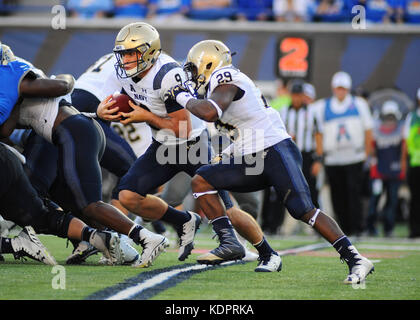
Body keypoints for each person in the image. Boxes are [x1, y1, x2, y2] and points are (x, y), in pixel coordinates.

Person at [165, 40, 374, 283]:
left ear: (208, 63)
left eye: (192, 68)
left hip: (275, 150)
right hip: (253, 154)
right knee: (202, 180)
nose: (191, 75)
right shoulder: (219, 85)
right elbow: (246, 126)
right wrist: (228, 153)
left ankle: (356, 259)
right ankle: (243, 246)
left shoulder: (225, 76)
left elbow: (210, 112)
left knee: (303, 210)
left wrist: (180, 97)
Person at [97, 22, 276, 269]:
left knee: (227, 208)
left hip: (191, 144)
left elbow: (183, 127)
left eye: (132, 53)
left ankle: (266, 252)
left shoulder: (168, 74)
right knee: (127, 196)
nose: (126, 60)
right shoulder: (121, 72)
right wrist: (102, 110)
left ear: (149, 52)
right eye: (123, 54)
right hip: (162, 146)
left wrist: (145, 117)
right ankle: (183, 221)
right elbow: (104, 104)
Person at [0, 42, 168, 268]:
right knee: (59, 198)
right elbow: (6, 130)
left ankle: (147, 238)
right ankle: (109, 242)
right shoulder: (12, 85)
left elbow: (62, 85)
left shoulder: (14, 76)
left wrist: (57, 79)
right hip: (69, 133)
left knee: (90, 204)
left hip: (75, 131)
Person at [0, 142, 123, 266]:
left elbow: (8, 130)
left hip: (53, 143)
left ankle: (134, 234)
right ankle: (95, 236)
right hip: (9, 158)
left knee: (87, 204)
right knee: (41, 216)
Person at [310, 71, 374, 236]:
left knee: (354, 194)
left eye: (343, 88)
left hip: (354, 157)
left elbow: (368, 130)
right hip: (332, 159)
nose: (341, 91)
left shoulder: (359, 104)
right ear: (333, 88)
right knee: (337, 195)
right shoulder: (323, 106)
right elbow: (318, 132)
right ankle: (344, 229)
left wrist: (367, 153)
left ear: (348, 89)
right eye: (338, 88)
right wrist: (320, 155)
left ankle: (358, 228)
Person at [367, 100, 405, 237]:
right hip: (378, 172)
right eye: (387, 116)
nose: (389, 120)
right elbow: (371, 149)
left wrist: (402, 168)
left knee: (392, 201)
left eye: (392, 117)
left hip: (394, 172)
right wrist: (373, 166)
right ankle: (370, 227)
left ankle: (388, 228)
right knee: (374, 200)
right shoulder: (376, 128)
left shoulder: (401, 129)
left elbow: (403, 150)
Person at [402, 88, 420, 238]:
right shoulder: (412, 117)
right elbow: (405, 143)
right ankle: (414, 230)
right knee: (415, 198)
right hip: (415, 164)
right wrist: (403, 163)